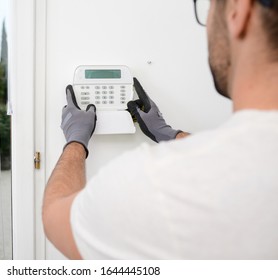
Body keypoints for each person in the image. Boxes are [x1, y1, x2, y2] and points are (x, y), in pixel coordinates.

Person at [42, 0, 278, 259]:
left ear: (238, 9)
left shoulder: (157, 183)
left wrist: (76, 142)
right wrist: (171, 134)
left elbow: (54, 217)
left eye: (209, 5)